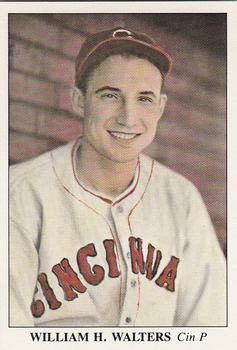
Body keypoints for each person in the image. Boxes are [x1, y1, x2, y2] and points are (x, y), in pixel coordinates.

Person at [10, 27, 226, 327]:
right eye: (110, 95)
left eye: (145, 99)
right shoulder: (18, 194)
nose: (128, 117)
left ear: (161, 108)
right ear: (79, 101)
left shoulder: (181, 197)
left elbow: (212, 326)